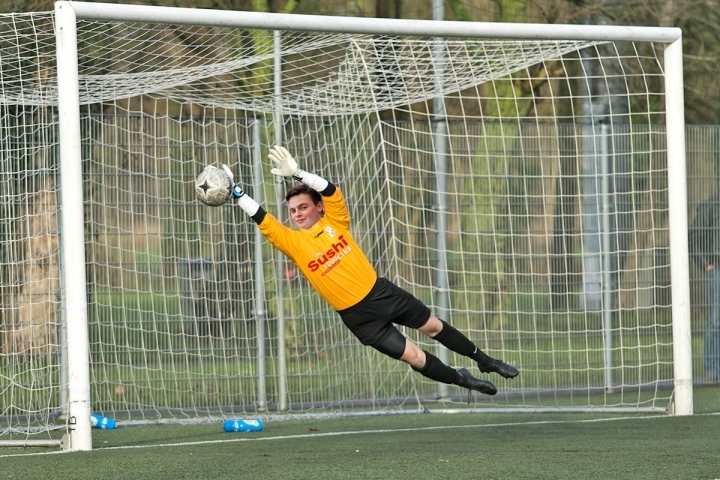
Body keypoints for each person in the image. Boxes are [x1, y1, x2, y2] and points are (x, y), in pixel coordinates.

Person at [221, 146, 519, 396]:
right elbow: (264, 219)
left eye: (303, 207)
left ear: (319, 208)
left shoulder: (335, 222)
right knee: (414, 357)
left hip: (382, 293)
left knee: (434, 327)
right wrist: (236, 192)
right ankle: (463, 380)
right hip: (358, 318)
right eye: (293, 210)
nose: (297, 214)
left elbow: (331, 191)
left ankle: (484, 360)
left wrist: (298, 174)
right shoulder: (293, 243)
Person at [689, 184, 720, 383]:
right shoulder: (709, 206)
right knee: (715, 322)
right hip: (716, 270)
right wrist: (705, 264)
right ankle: (711, 370)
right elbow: (692, 237)